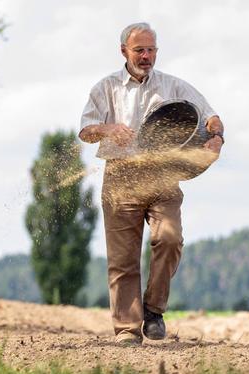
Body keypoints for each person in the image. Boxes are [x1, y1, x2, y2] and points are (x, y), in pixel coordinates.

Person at [79, 22, 224, 345]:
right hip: (120, 176)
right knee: (123, 259)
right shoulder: (105, 88)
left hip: (163, 174)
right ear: (124, 52)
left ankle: (154, 310)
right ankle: (128, 329)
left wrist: (217, 137)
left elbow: (212, 116)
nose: (146, 56)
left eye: (151, 50)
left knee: (170, 239)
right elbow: (86, 131)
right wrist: (109, 129)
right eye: (139, 50)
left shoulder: (174, 86)